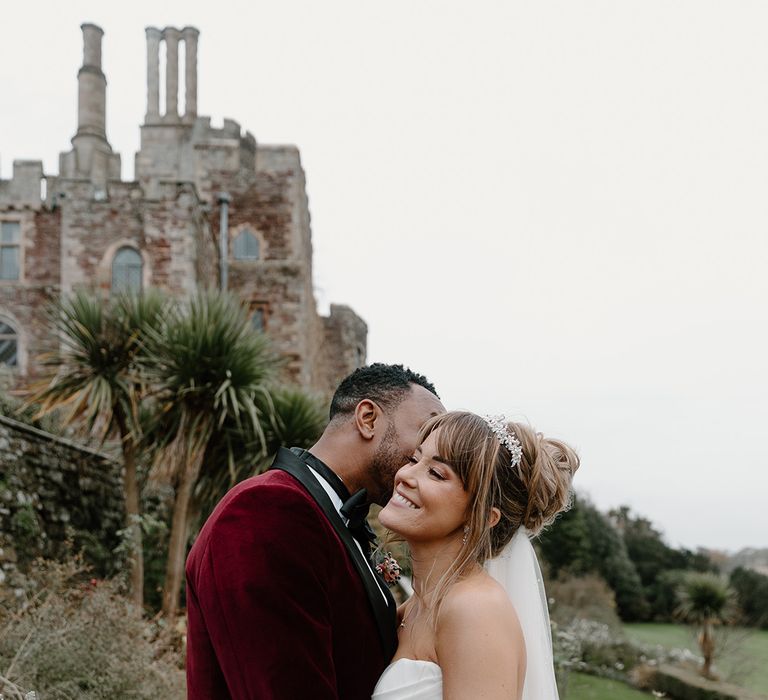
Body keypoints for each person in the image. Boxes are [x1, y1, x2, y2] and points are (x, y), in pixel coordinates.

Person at [185, 363, 445, 699]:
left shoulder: (327, 517)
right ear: (367, 418)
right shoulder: (263, 512)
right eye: (424, 436)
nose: (427, 459)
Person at [372, 411, 579, 699]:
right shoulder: (416, 606)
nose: (405, 475)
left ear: (481, 517)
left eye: (435, 473)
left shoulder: (475, 609)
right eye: (414, 460)